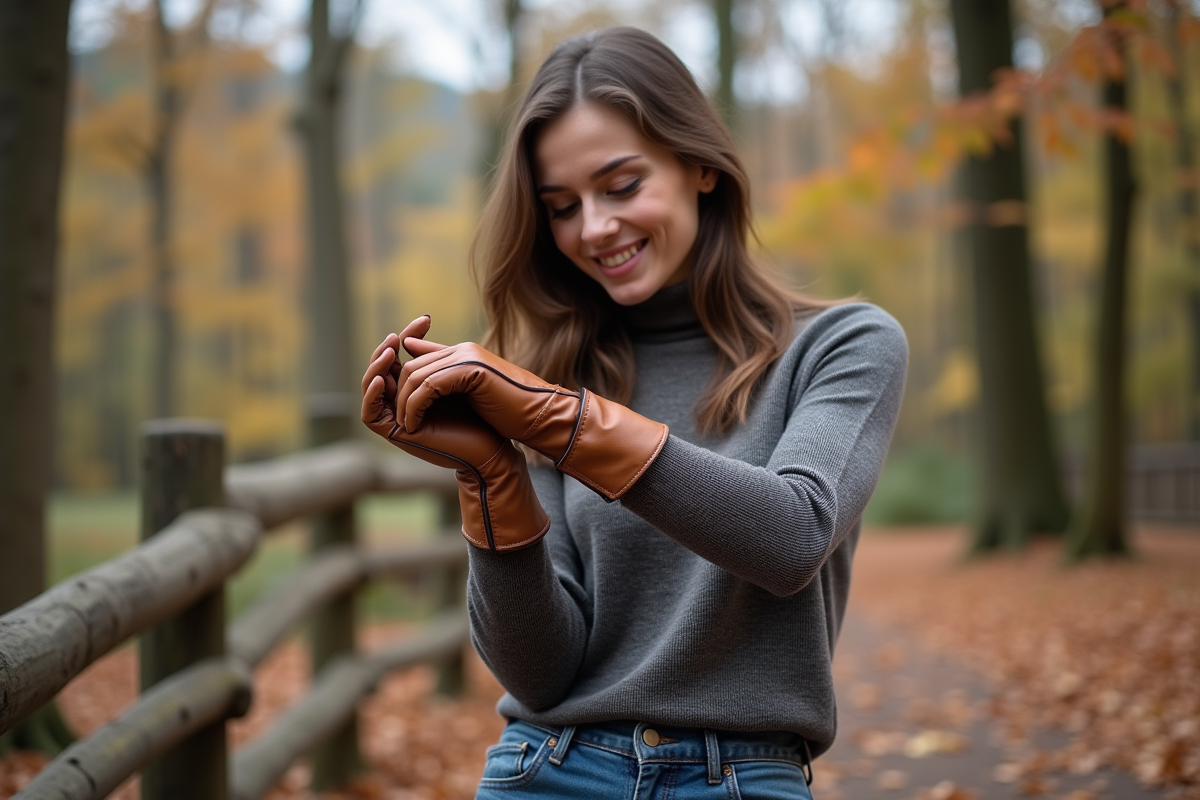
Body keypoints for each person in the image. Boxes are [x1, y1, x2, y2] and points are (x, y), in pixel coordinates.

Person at [361, 25, 907, 800]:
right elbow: (541, 673)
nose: (593, 228)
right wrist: (490, 473)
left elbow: (794, 535)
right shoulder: (551, 377)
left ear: (700, 168)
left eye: (621, 186)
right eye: (561, 207)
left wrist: (557, 421)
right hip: (546, 770)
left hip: (742, 778)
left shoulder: (843, 345)